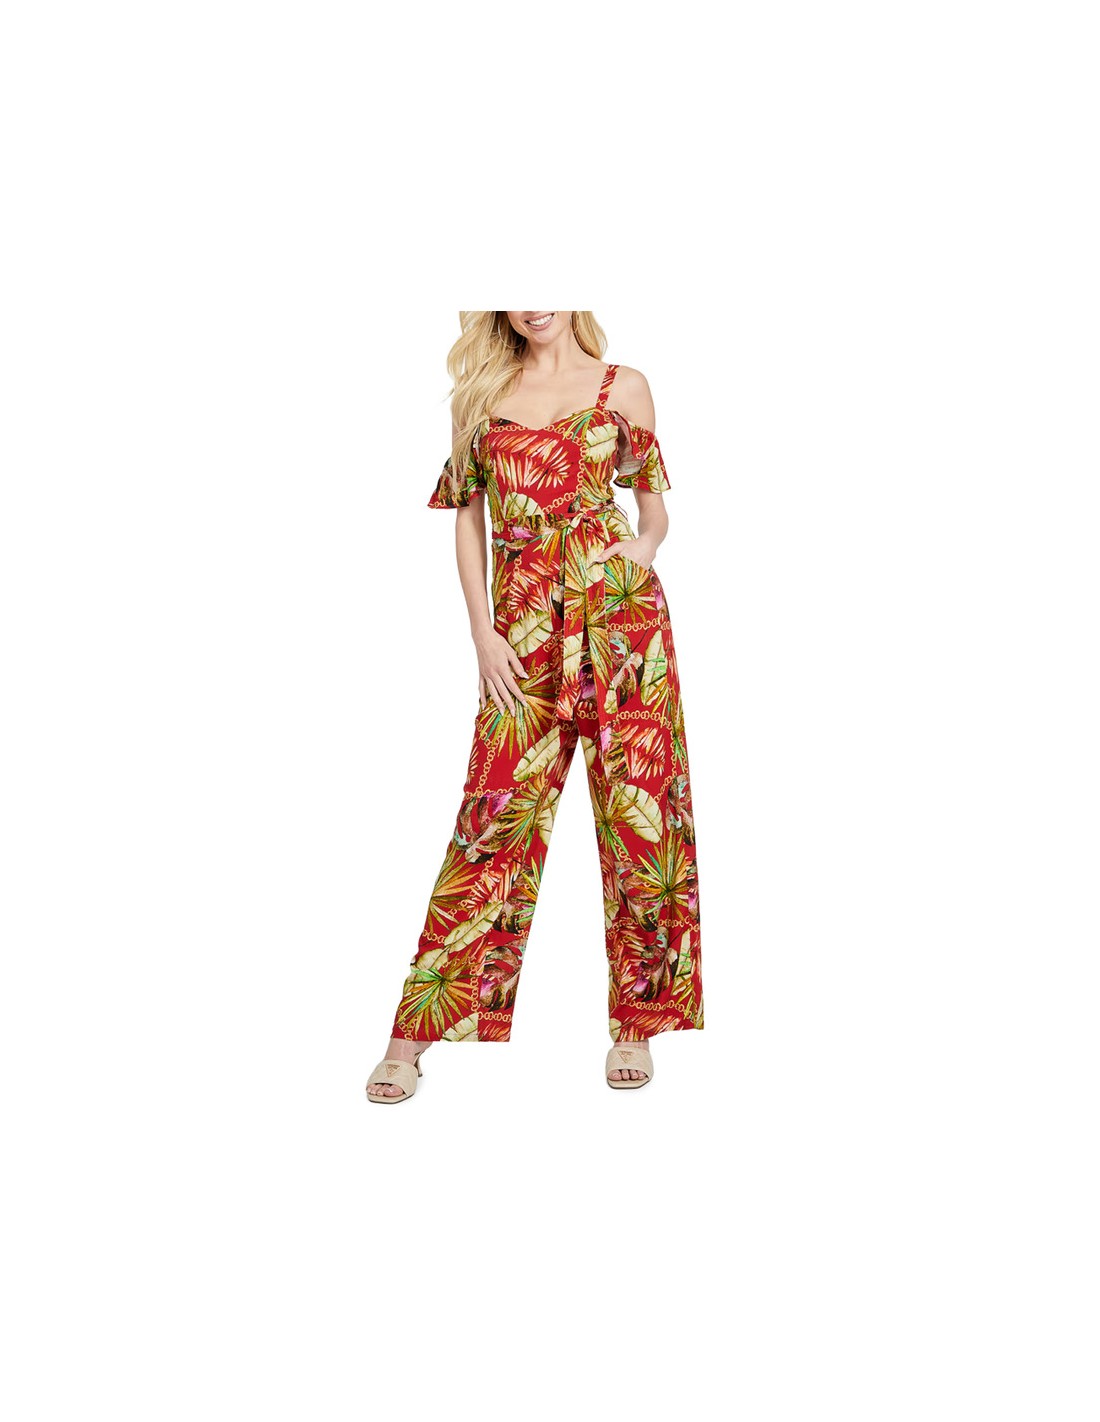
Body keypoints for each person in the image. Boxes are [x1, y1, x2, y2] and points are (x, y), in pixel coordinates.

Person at [366, 311, 704, 1103]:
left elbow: (653, 509)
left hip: (621, 620)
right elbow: (469, 518)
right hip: (519, 633)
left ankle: (636, 1025)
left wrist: (644, 547)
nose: (533, 302)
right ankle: (410, 1036)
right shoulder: (481, 392)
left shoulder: (625, 386)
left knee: (640, 817)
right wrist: (481, 631)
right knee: (492, 821)